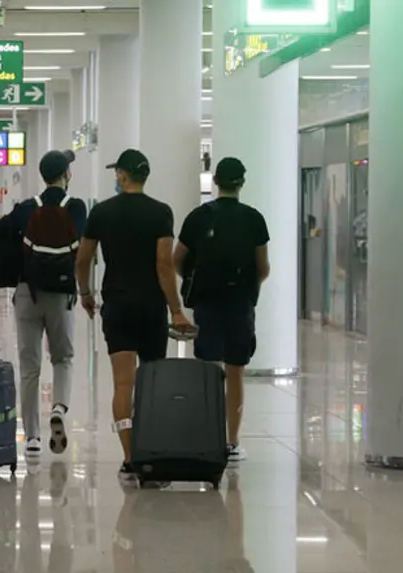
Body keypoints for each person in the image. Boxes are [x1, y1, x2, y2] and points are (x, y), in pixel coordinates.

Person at [75, 149, 192, 482]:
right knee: (152, 383)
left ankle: (130, 458)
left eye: (117, 173)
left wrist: (85, 293)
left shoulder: (102, 212)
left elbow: (83, 260)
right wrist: (176, 310)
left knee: (123, 383)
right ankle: (153, 451)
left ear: (123, 175)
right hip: (152, 307)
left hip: (118, 305)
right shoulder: (160, 212)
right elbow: (164, 264)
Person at [174, 157, 270, 461]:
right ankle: (232, 442)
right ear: (242, 182)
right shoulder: (254, 219)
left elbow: (177, 259)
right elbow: (263, 268)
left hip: (207, 302)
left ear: (215, 181)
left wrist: (193, 279)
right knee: (236, 370)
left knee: (209, 371)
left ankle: (207, 437)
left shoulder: (198, 217)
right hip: (240, 303)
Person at [0, 149, 86, 459]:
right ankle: (58, 407)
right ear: (66, 175)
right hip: (61, 294)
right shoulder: (76, 207)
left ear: (43, 176)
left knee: (29, 366)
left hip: (27, 292)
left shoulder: (27, 207)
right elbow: (83, 246)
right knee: (63, 357)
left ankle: (31, 437)